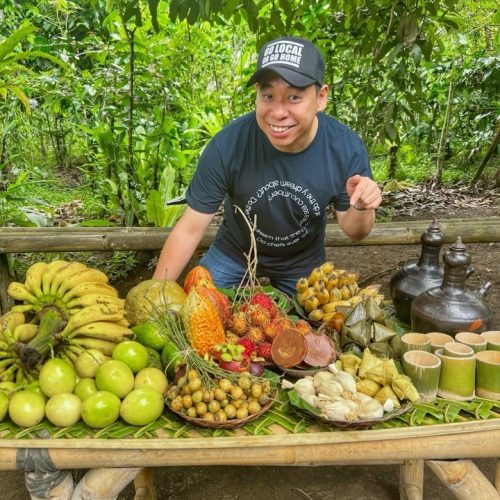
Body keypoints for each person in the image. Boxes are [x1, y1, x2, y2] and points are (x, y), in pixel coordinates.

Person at [153, 36, 382, 297]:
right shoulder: (228, 144)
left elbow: (355, 232)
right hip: (234, 252)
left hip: (302, 260)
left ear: (320, 98)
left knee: (316, 320)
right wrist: (154, 294)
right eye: (268, 96)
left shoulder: (345, 147)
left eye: (294, 97)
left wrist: (361, 205)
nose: (278, 112)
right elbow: (189, 229)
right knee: (198, 304)